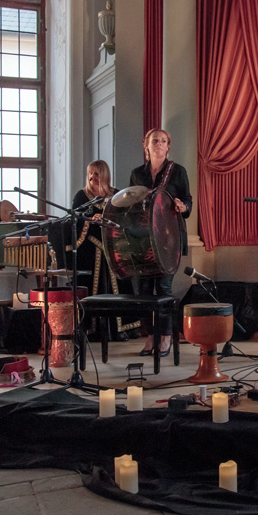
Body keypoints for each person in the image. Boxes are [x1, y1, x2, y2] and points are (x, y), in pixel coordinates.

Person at [129, 128, 192, 357]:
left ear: (168, 147)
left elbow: (188, 202)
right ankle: (150, 336)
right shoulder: (137, 174)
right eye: (154, 140)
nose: (158, 144)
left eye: (163, 141)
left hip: (169, 239)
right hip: (145, 239)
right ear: (145, 144)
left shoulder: (178, 172)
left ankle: (165, 337)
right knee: (143, 290)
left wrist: (183, 207)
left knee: (163, 287)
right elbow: (132, 205)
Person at [71, 160, 137, 338]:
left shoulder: (117, 196)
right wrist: (91, 219)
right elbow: (75, 219)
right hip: (91, 249)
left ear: (105, 175)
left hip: (114, 248)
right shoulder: (81, 196)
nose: (93, 177)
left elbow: (126, 220)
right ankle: (93, 330)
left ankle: (120, 330)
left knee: (120, 288)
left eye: (97, 173)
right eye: (90, 173)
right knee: (94, 287)